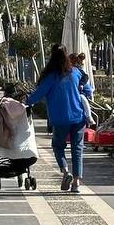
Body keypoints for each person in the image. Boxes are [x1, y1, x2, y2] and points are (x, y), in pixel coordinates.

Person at [27, 45, 88, 193]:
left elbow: (37, 95)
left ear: (52, 56)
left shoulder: (50, 76)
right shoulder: (75, 72)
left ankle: (65, 171)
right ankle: (76, 182)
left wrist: (25, 101)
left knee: (58, 146)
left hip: (60, 119)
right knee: (77, 149)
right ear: (66, 55)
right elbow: (86, 87)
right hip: (78, 117)